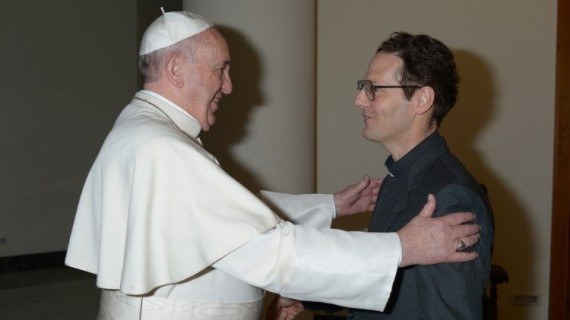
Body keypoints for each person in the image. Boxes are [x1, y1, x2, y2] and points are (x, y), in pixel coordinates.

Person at [64, 11, 481, 320]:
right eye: (220, 69)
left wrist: (330, 206)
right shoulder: (161, 146)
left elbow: (226, 217)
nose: (228, 86)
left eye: (373, 89)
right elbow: (266, 247)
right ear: (175, 68)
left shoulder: (144, 130)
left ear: (422, 100)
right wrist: (404, 248)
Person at [345, 32, 494, 319]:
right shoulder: (394, 179)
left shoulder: (451, 196)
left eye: (374, 88)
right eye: (363, 86)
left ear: (422, 100)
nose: (360, 99)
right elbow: (385, 280)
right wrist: (307, 298)